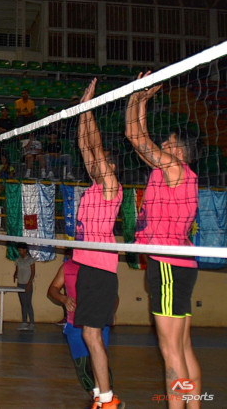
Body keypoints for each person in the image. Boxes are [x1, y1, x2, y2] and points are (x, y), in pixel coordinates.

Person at [126, 72, 200, 409]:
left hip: (168, 265)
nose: (164, 147)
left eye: (169, 144)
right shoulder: (174, 173)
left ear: (181, 151)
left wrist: (135, 97)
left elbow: (136, 138)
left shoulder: (174, 168)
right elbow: (138, 139)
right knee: (183, 347)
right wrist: (141, 102)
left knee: (170, 351)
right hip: (181, 263)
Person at [72, 78, 123, 409]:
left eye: (102, 161)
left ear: (112, 167)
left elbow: (95, 146)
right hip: (87, 268)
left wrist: (90, 108)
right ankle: (103, 395)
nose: (95, 162)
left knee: (91, 334)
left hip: (101, 270)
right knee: (88, 334)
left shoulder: (112, 188)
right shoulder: (93, 188)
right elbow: (85, 146)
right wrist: (83, 109)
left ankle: (107, 398)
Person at [47, 250, 114, 398]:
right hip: (75, 324)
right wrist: (64, 299)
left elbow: (114, 295)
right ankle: (96, 396)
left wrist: (111, 312)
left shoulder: (99, 265)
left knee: (99, 361)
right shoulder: (67, 267)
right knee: (83, 367)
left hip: (97, 322)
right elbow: (52, 289)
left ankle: (105, 396)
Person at [13, 243, 35, 331]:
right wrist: (15, 275)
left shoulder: (30, 260)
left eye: (20, 250)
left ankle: (32, 323)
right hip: (20, 283)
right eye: (18, 250)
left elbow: (33, 273)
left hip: (27, 283)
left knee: (28, 303)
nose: (19, 252)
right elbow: (17, 270)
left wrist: (29, 284)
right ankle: (24, 322)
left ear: (25, 250)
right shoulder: (18, 260)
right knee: (23, 303)